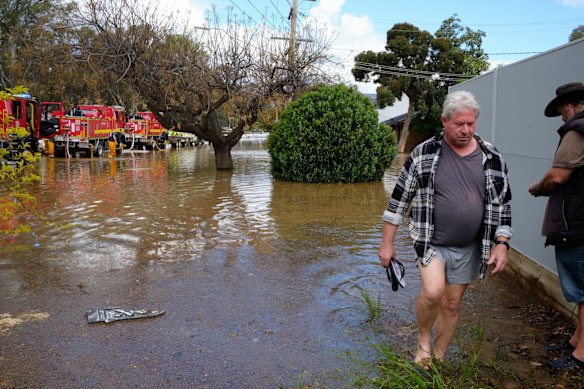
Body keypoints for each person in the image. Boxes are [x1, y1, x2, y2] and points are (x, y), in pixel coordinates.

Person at [378, 90, 512, 367]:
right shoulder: (424, 153)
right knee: (432, 291)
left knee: (452, 304)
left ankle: (438, 357)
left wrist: (502, 242)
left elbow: (504, 206)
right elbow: (398, 202)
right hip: (431, 242)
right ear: (444, 121)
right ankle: (423, 342)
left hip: (470, 247)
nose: (465, 130)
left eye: (470, 124)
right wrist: (387, 244)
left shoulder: (492, 157)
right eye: (458, 124)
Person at [528, 82, 584, 370]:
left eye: (563, 111)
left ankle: (581, 354)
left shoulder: (577, 130)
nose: (563, 117)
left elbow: (558, 176)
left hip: (578, 223)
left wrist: (539, 188)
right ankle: (577, 339)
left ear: (571, 106)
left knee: (582, 288)